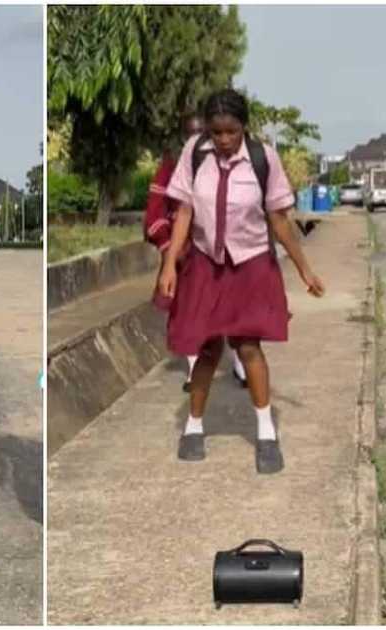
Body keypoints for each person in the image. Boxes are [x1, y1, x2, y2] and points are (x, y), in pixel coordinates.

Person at [159, 89, 325, 474]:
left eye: (231, 132)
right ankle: (194, 427)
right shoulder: (195, 153)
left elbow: (279, 221)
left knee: (249, 347)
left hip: (250, 262)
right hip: (205, 263)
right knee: (207, 348)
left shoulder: (262, 158)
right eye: (216, 132)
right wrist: (169, 266)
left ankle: (266, 433)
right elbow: (183, 211)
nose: (223, 141)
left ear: (243, 127)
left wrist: (304, 269)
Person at [147, 114, 248, 393]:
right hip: (186, 255)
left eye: (200, 133)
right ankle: (194, 370)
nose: (195, 139)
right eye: (189, 134)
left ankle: (240, 363)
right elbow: (155, 216)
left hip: (224, 250)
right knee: (190, 313)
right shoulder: (170, 169)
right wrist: (171, 250)